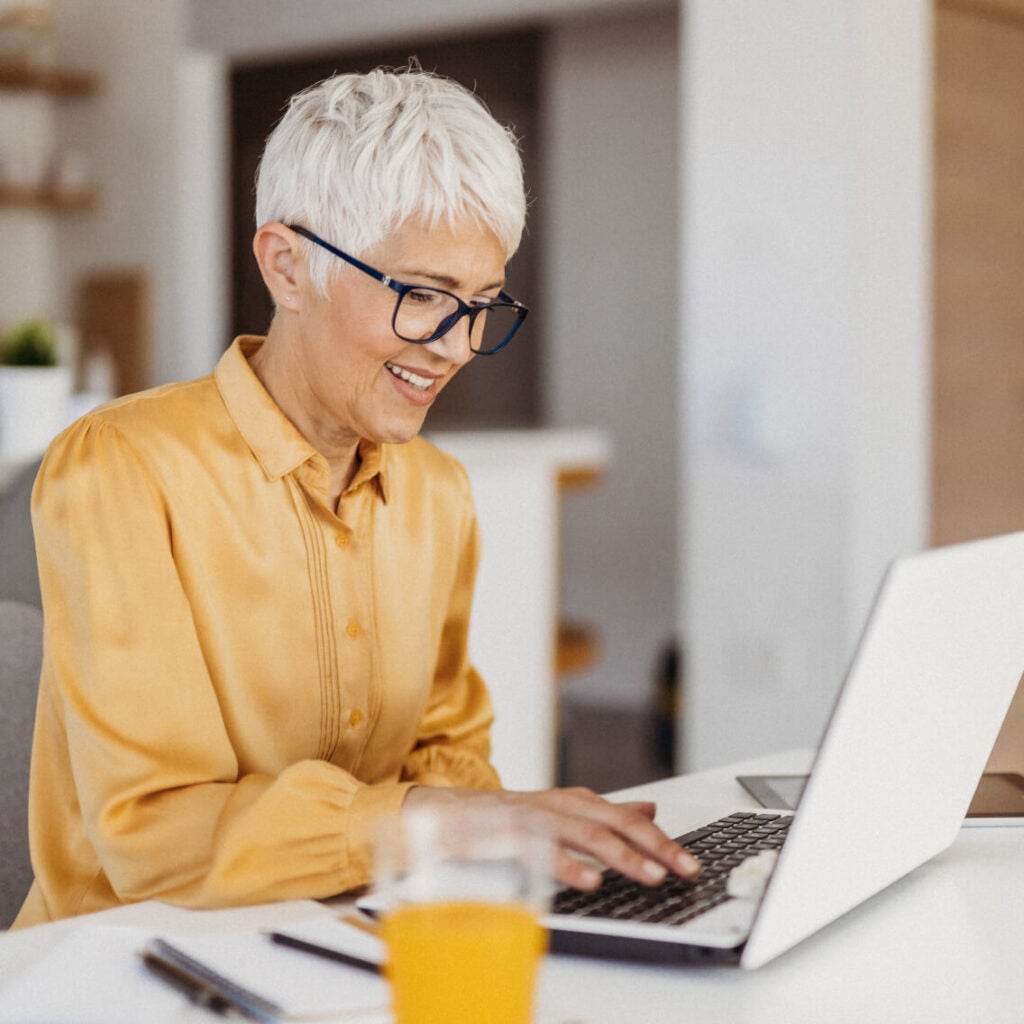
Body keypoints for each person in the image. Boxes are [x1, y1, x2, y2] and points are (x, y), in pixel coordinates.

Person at [13, 67, 698, 929]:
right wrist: (426, 824)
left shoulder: (438, 494)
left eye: (482, 303)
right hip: (121, 961)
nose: (456, 347)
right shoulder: (121, 468)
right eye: (421, 296)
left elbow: (448, 753)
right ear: (287, 266)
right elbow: (151, 834)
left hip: (338, 930)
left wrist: (486, 830)